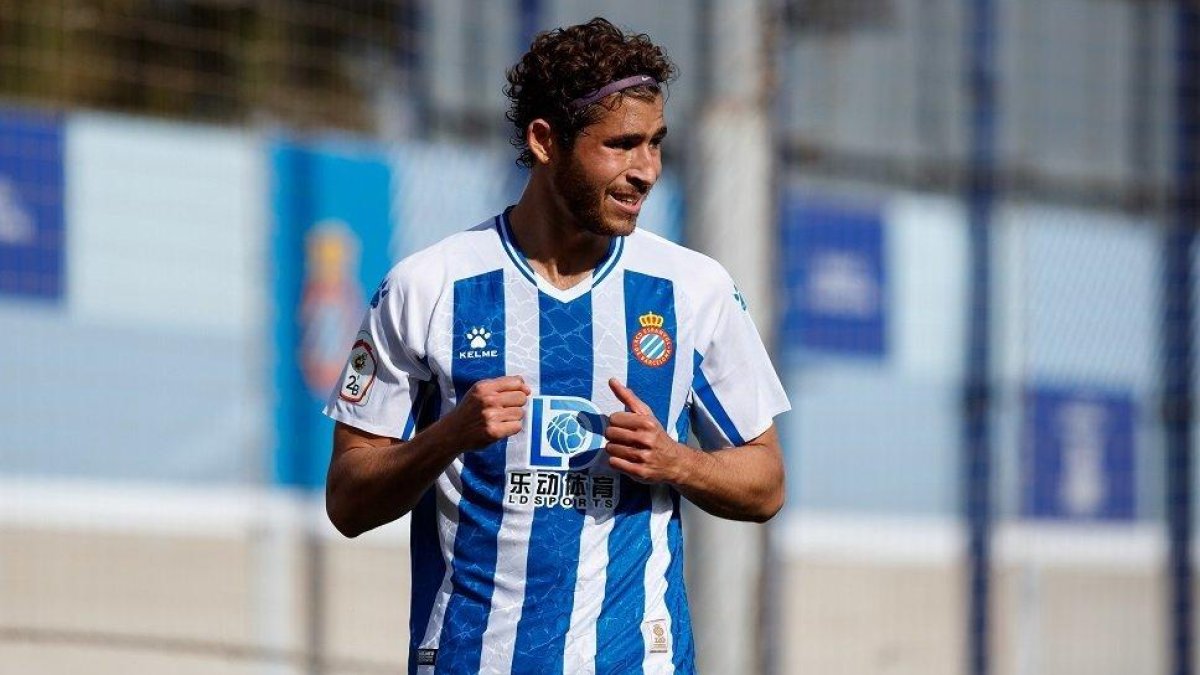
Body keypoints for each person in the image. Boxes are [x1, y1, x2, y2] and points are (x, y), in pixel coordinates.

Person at [323, 17, 790, 675]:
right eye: (622, 144)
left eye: (656, 143)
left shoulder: (693, 289)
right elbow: (346, 499)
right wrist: (448, 435)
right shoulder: (428, 287)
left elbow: (765, 480)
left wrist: (678, 461)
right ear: (545, 140)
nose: (646, 170)